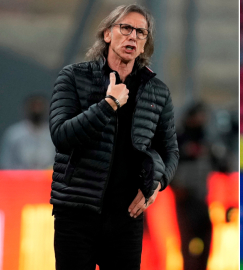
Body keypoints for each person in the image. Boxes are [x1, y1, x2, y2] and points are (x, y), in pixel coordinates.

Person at [49, 4, 179, 270]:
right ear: (107, 34)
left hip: (127, 218)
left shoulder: (158, 92)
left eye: (141, 33)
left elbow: (171, 151)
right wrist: (108, 104)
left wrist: (158, 183)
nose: (132, 36)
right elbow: (61, 136)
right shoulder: (72, 77)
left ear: (144, 45)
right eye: (126, 28)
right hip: (76, 212)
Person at [0, 94, 55, 169]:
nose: (37, 110)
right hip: (20, 178)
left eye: (40, 106)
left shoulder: (55, 133)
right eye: (33, 106)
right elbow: (6, 163)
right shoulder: (14, 134)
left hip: (49, 178)